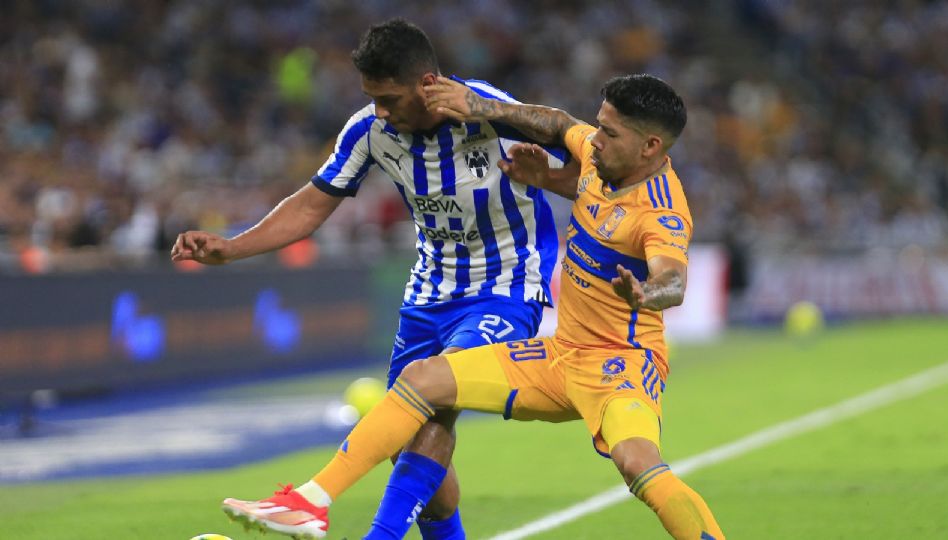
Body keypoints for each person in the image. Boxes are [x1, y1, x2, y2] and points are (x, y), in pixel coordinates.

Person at [220, 74, 726, 540]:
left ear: (651, 146)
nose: (594, 138)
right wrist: (525, 155)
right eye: (599, 124)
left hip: (623, 367)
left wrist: (647, 294)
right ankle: (310, 501)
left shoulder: (661, 211)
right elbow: (555, 124)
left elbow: (673, 277)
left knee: (637, 463)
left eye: (610, 133)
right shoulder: (600, 157)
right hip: (560, 357)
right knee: (422, 379)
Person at [171, 19, 575, 540]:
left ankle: (351, 523)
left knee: (435, 398)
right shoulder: (369, 131)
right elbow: (313, 203)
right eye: (372, 98)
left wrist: (492, 109)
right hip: (430, 292)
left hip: (506, 286)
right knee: (413, 441)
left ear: (428, 84)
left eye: (389, 98)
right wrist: (232, 247)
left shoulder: (487, 109)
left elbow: (573, 135)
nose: (381, 111)